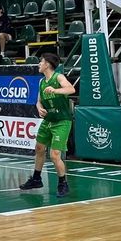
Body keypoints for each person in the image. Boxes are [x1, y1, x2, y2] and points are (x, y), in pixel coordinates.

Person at [20, 53, 74, 198]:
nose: (39, 64)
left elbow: (71, 89)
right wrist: (39, 108)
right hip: (48, 120)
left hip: (62, 121)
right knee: (39, 148)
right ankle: (36, 179)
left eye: (41, 61)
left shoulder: (58, 77)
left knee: (55, 155)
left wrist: (56, 90)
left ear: (48, 64)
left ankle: (63, 183)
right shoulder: (42, 81)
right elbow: (38, 101)